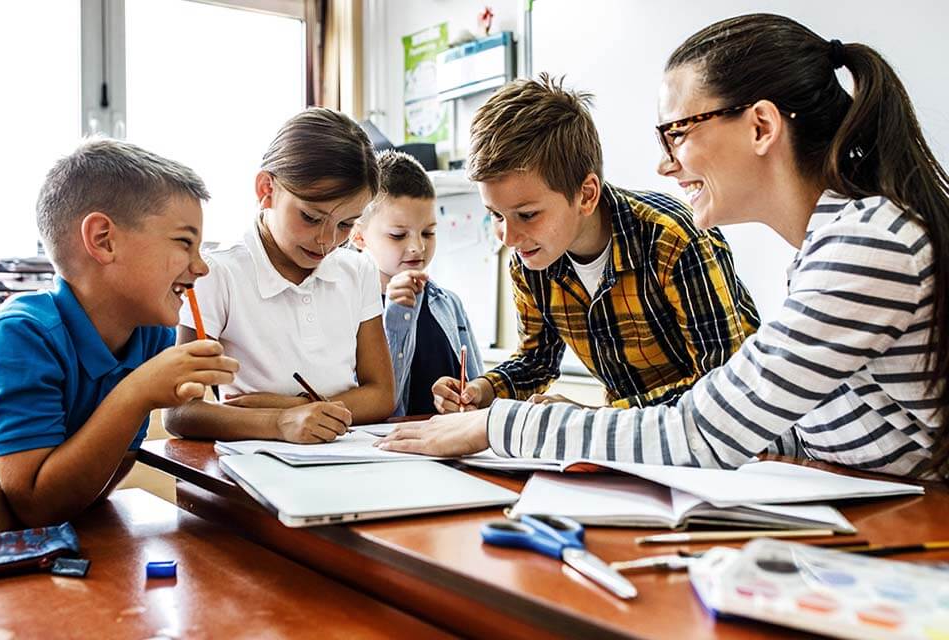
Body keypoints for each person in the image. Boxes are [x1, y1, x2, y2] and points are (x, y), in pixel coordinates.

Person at [381, 13, 949, 480]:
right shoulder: (835, 244)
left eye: (676, 131)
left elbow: (703, 430)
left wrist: (497, 426)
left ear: (760, 127)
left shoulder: (867, 244)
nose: (663, 162)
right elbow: (780, 425)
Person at [431, 74, 758, 415]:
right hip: (632, 438)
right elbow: (536, 361)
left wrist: (593, 418)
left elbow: (722, 384)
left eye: (527, 215)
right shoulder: (532, 258)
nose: (509, 238)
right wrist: (480, 391)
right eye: (496, 215)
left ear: (586, 195)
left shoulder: (672, 239)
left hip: (738, 439)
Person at [0, 138, 239, 531]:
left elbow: (89, 490)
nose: (201, 267)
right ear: (104, 240)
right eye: (184, 243)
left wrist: (15, 509)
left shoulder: (152, 336)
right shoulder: (22, 334)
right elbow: (37, 507)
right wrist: (137, 392)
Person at [164, 108, 395, 443]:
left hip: (343, 458)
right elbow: (181, 412)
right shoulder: (216, 274)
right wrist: (280, 421)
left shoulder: (358, 270)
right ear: (266, 189)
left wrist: (295, 407)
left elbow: (382, 395)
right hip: (251, 468)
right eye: (311, 217)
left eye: (346, 224)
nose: (327, 241)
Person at [352, 150, 483, 416]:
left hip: (447, 446)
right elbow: (377, 407)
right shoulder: (349, 309)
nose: (417, 247)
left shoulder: (448, 303)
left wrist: (470, 398)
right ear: (358, 237)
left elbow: (479, 388)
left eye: (428, 232)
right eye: (398, 235)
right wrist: (397, 317)